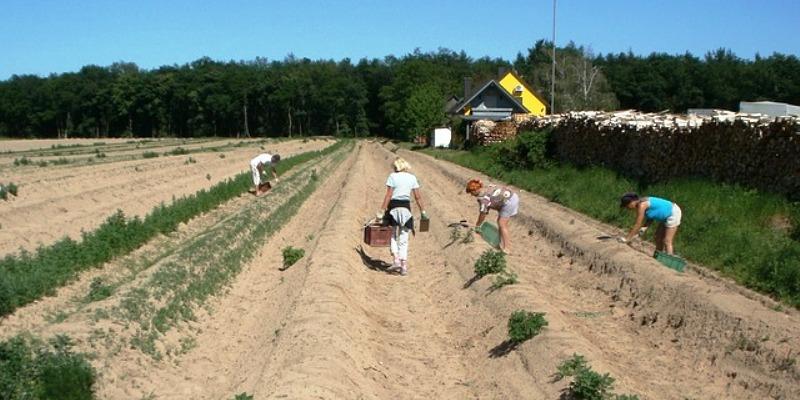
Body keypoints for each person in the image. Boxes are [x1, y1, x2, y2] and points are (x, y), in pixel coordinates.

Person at [377, 157, 427, 276]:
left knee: (392, 234)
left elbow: (388, 195)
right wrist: (423, 211)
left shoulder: (393, 176)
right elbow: (418, 197)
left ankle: (396, 259)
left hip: (394, 207)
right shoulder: (412, 178)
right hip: (406, 209)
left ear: (397, 167)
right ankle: (404, 265)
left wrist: (382, 210)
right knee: (404, 237)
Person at [465, 178, 519, 254]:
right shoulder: (486, 186)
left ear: (475, 190)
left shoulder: (483, 199)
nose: (471, 195)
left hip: (509, 201)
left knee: (502, 224)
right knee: (500, 222)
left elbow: (482, 214)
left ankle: (508, 248)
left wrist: (478, 225)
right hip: (511, 196)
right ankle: (500, 243)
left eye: (471, 193)